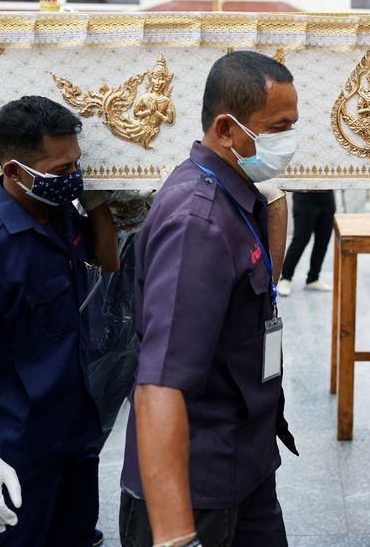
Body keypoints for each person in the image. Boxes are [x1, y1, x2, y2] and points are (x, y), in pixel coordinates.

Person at [119, 50, 298, 547]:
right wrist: (176, 537)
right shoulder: (197, 224)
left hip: (247, 451)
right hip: (198, 476)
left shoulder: (236, 192)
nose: (289, 142)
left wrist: (276, 198)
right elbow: (159, 384)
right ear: (226, 128)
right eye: (279, 127)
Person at [0, 96, 120, 546]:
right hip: (19, 447)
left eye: (76, 162)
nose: (71, 174)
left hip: (73, 431)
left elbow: (107, 261)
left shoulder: (55, 211)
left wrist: (96, 202)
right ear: (13, 171)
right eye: (59, 169)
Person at [277, 190, 335, 296]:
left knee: (323, 240)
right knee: (300, 240)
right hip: (304, 196)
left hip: (327, 196)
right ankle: (285, 278)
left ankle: (313, 278)